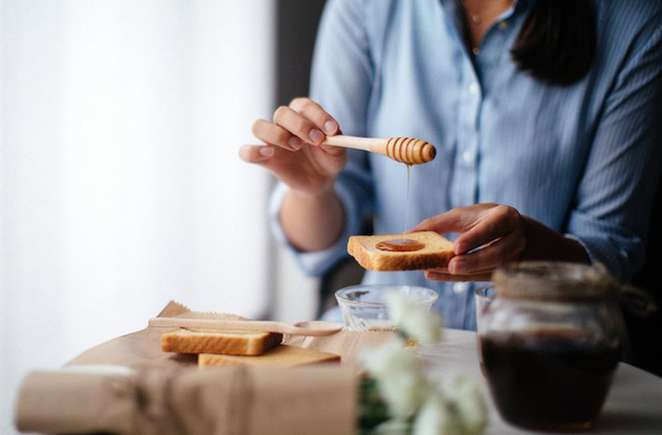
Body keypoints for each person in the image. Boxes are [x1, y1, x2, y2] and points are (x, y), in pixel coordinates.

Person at [239, 0, 662, 329]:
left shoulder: (631, 24)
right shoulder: (364, 8)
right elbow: (321, 244)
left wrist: (533, 249)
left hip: (535, 352)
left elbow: (611, 249)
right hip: (386, 341)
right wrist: (312, 191)